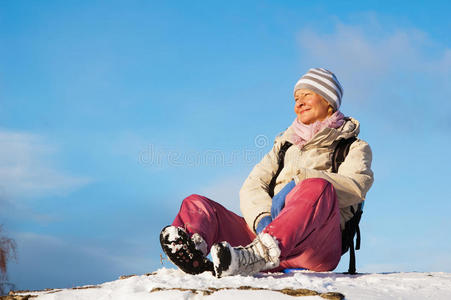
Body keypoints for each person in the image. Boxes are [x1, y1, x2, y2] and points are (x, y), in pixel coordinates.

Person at [159, 68, 374, 277]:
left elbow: (356, 185)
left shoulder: (352, 146)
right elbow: (253, 185)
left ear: (329, 101)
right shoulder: (284, 145)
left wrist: (300, 182)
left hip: (315, 244)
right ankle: (193, 249)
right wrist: (264, 220)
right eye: (296, 98)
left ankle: (259, 254)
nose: (298, 103)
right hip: (265, 234)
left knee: (317, 187)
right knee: (196, 203)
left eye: (306, 95)